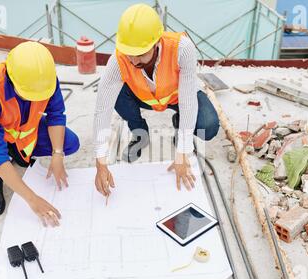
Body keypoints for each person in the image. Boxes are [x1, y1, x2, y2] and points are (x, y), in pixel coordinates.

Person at [93, 3, 219, 199]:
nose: (133, 62)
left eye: (141, 54)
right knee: (114, 95)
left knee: (208, 126)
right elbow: (102, 109)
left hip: (178, 97)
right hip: (145, 97)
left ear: (156, 42)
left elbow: (187, 101)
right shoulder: (118, 60)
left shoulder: (182, 49)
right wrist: (100, 162)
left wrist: (182, 153)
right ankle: (140, 134)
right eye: (129, 55)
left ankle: (179, 124)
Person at [0, 41, 79, 227]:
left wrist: (57, 154)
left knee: (69, 143)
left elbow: (56, 115)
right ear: (12, 80)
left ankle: (17, 152)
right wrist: (33, 199)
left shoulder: (45, 79)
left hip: (18, 130)